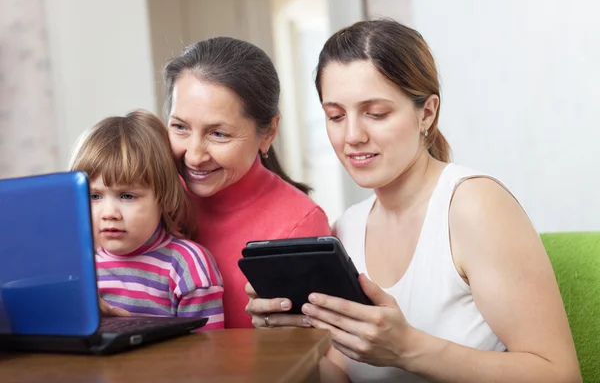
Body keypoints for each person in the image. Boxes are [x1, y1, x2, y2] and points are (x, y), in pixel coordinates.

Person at [245, 19, 581, 382]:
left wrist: (407, 349)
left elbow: (560, 374)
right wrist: (291, 343)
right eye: (336, 116)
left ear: (427, 112)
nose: (352, 136)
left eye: (376, 113)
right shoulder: (347, 228)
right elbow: (343, 375)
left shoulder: (473, 206)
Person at [162, 37, 332, 328]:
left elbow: (314, 357)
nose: (194, 155)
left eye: (218, 134)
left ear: (267, 133)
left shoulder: (299, 226)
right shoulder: (151, 198)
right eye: (180, 127)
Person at [70, 110, 225, 329]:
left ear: (166, 200)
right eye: (94, 196)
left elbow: (210, 350)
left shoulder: (187, 266)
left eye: (127, 196)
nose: (109, 213)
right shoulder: (80, 267)